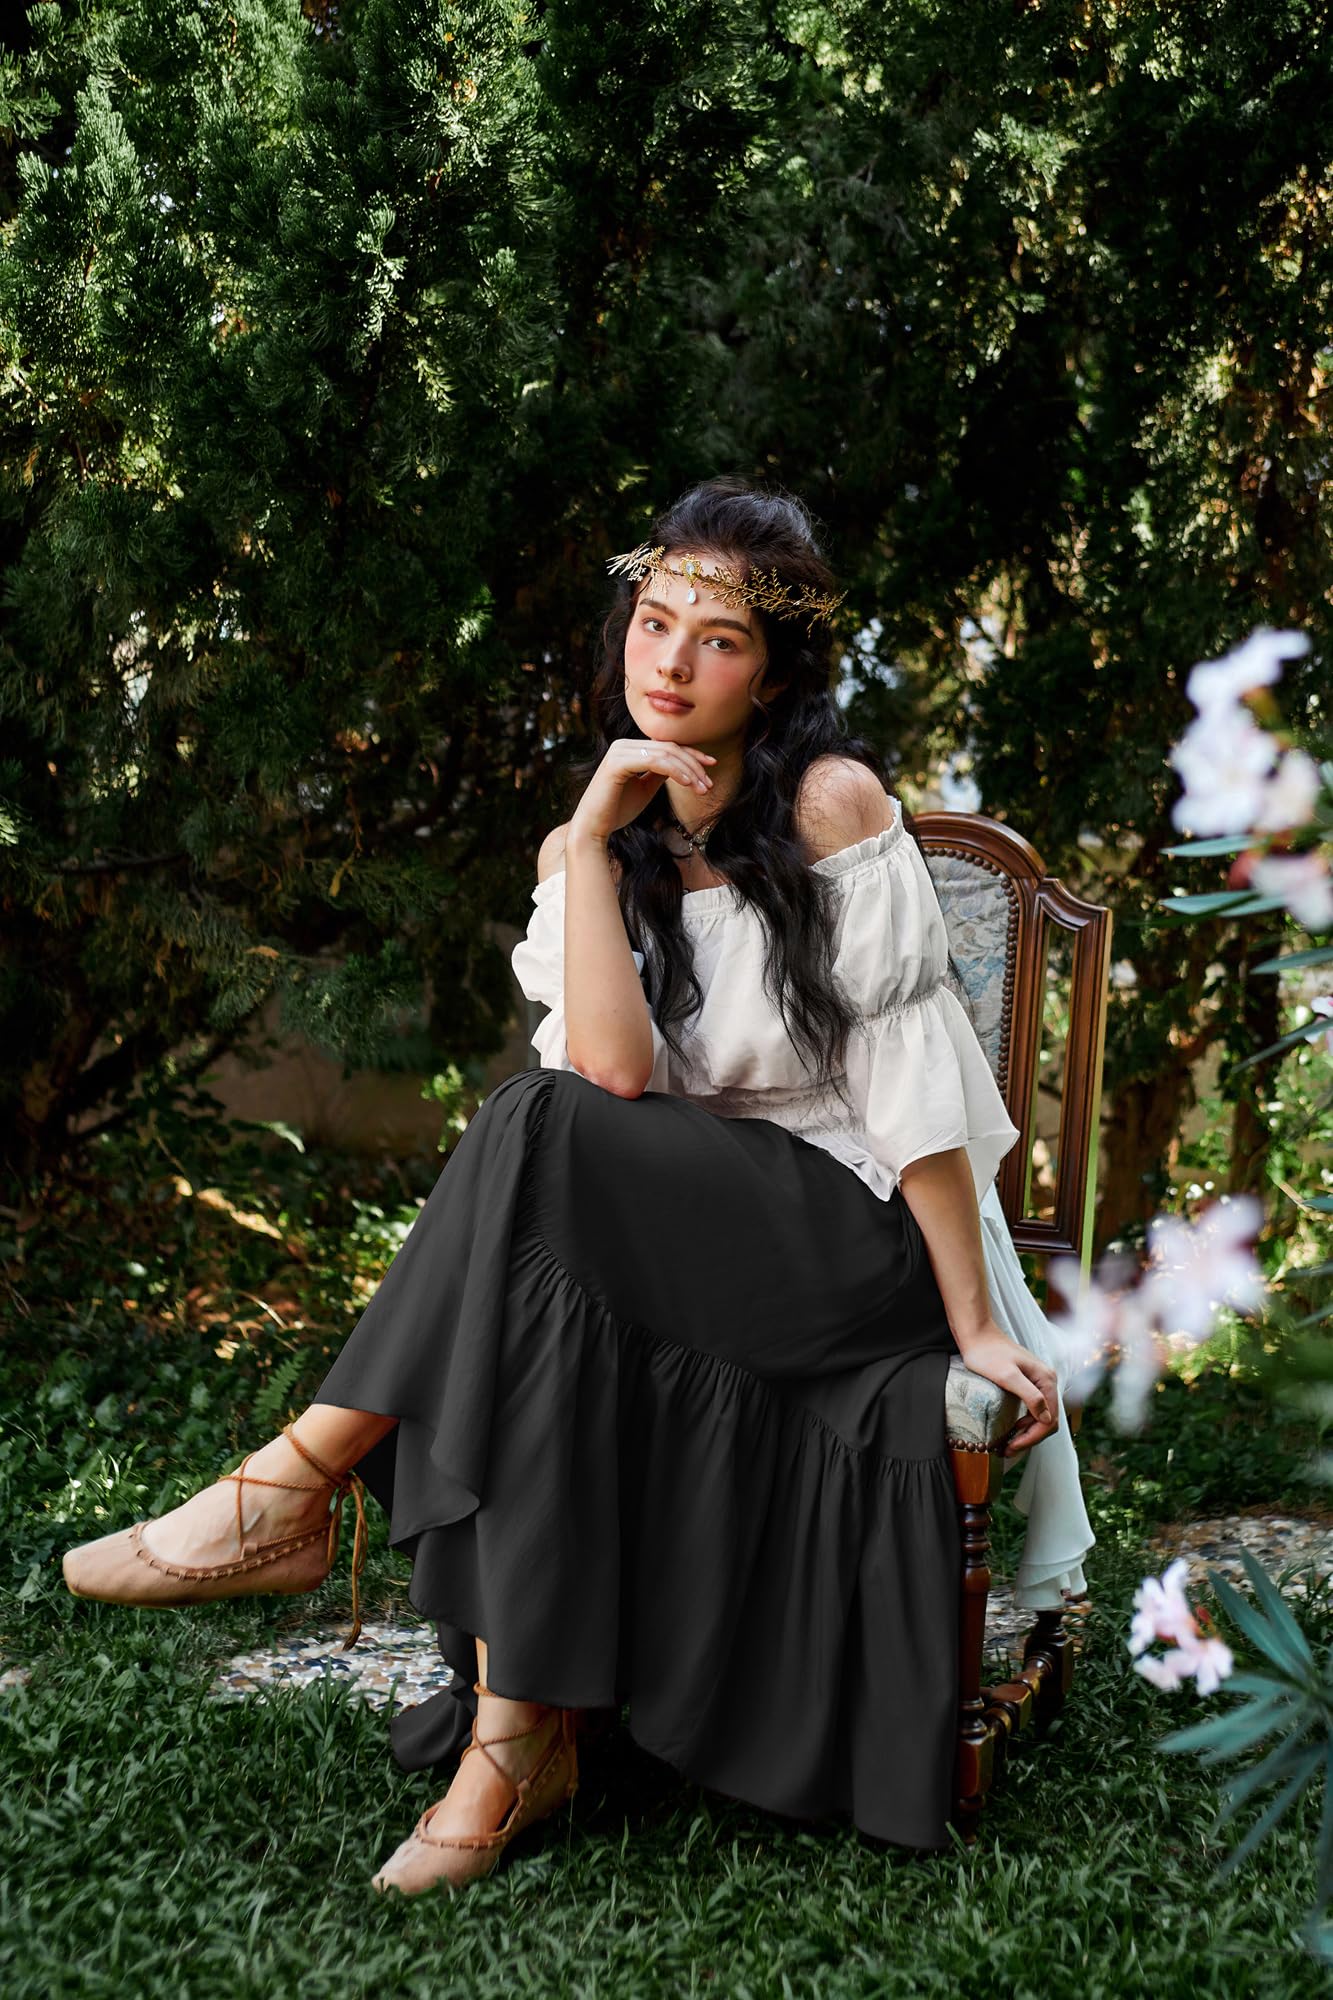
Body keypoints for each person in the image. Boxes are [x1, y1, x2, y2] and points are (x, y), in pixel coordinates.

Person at [61, 477, 1093, 1896]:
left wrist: (972, 1321)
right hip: (686, 1236)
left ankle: (289, 1487)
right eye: (653, 623)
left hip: (855, 1239)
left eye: (719, 639)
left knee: (530, 1133)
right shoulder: (590, 841)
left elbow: (915, 1089)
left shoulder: (830, 801)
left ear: (774, 671)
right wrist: (595, 837)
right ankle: (513, 1747)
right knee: (539, 1275)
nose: (671, 662)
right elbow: (610, 1076)